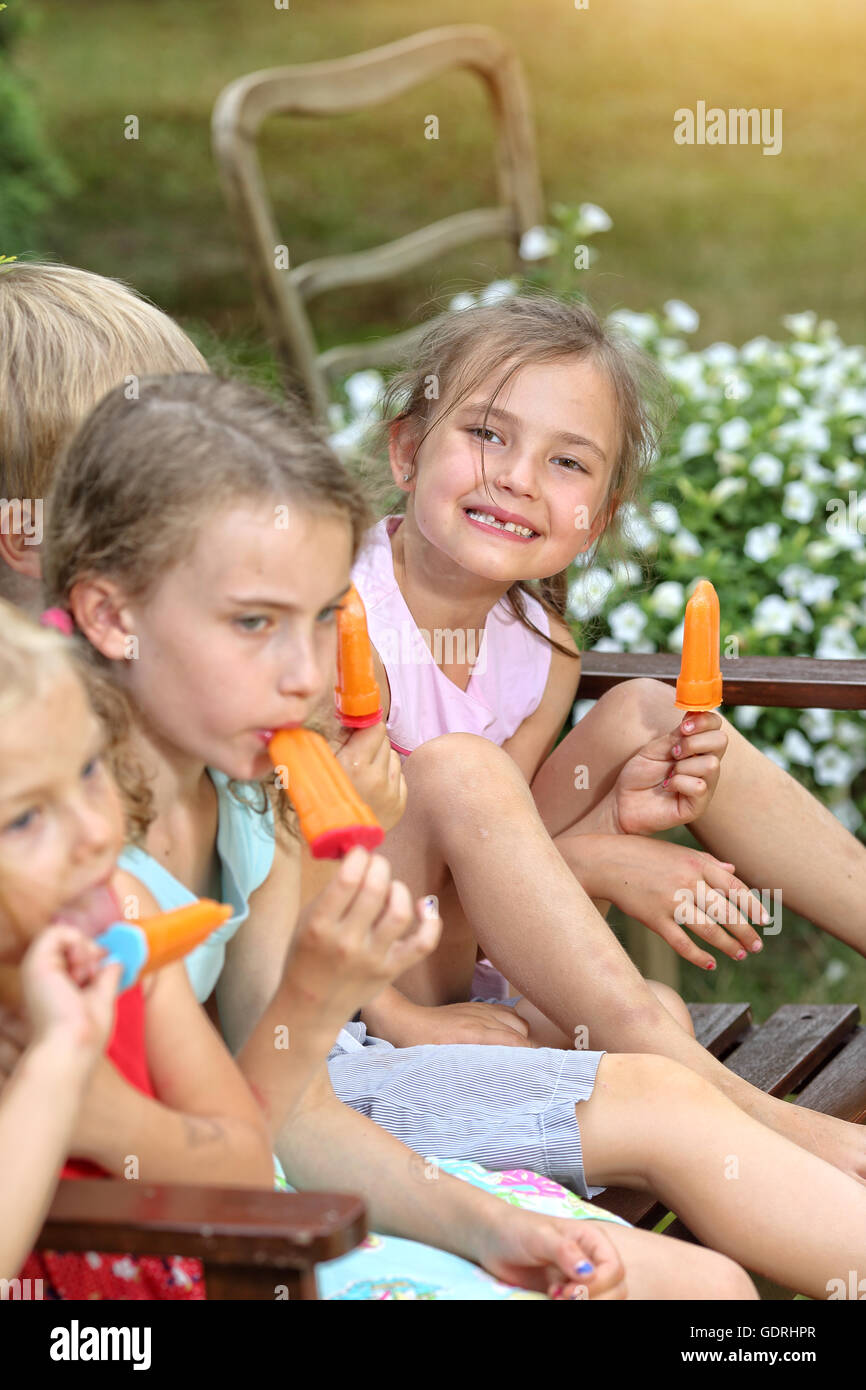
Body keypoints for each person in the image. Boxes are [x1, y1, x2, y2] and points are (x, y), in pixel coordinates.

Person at [40, 370, 866, 1299]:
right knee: (660, 1096)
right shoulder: (72, 865)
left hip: (324, 1104)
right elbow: (241, 1131)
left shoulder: (252, 801)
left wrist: (493, 1224)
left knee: (711, 1284)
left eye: (322, 623)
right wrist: (351, 995)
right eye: (254, 624)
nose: (305, 673)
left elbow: (274, 1105)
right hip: (213, 1207)